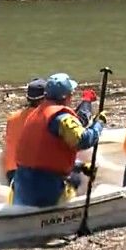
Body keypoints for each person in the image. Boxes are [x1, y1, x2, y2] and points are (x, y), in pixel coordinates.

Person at [11, 73, 106, 207]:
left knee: (74, 173)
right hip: (44, 190)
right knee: (76, 181)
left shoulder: (36, 114)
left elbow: (44, 156)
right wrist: (99, 124)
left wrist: (78, 167)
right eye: (71, 94)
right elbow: (83, 140)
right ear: (65, 97)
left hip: (22, 183)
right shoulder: (61, 118)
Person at [3, 77, 98, 184]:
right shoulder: (46, 119)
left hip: (13, 174)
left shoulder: (13, 118)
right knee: (76, 178)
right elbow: (80, 122)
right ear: (44, 99)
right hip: (33, 177)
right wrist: (87, 101)